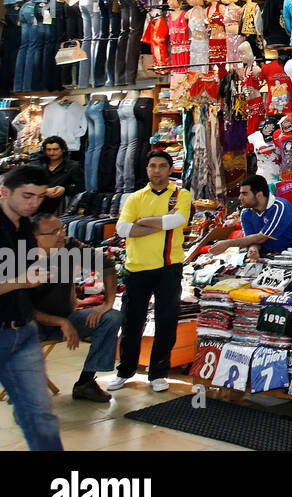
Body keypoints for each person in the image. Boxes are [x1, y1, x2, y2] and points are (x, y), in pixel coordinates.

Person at [108, 149, 191, 394]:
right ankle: (125, 370)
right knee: (131, 322)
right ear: (147, 169)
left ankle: (158, 373)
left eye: (162, 166)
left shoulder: (180, 195)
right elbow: (122, 229)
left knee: (166, 322)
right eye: (152, 166)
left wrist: (142, 223)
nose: (157, 170)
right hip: (137, 267)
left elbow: (176, 222)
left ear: (169, 169)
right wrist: (159, 222)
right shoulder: (135, 197)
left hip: (168, 268)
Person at [0, 165, 62, 450]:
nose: (33, 204)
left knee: (40, 415)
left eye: (38, 197)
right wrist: (20, 281)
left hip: (22, 331)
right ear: (4, 192)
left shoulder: (24, 224)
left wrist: (37, 266)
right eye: (27, 196)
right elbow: (17, 279)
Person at [31, 215, 121, 402]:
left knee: (111, 317)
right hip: (30, 325)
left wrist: (107, 303)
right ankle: (24, 390)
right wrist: (61, 322)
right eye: (53, 232)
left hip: (67, 319)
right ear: (36, 238)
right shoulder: (22, 257)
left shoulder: (70, 246)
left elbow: (106, 263)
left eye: (62, 229)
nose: (61, 235)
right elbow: (21, 310)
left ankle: (85, 382)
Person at [208, 175, 292, 259]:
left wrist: (228, 243)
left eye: (244, 194)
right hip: (269, 256)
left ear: (259, 195)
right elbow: (252, 239)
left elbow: (261, 238)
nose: (240, 198)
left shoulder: (280, 207)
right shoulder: (246, 212)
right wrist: (253, 249)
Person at [37, 136, 83, 216]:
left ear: (63, 149)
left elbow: (82, 186)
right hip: (36, 206)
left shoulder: (72, 167)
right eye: (48, 150)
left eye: (55, 149)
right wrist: (44, 191)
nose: (52, 153)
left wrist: (65, 189)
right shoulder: (38, 166)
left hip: (59, 209)